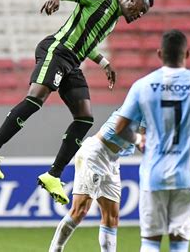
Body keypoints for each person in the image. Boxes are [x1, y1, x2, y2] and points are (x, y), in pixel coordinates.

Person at [0, 0, 154, 205]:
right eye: (141, 9)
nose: (139, 16)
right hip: (58, 50)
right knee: (35, 99)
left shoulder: (112, 20)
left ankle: (53, 175)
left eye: (143, 14)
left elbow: (87, 43)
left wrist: (104, 63)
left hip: (72, 63)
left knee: (85, 117)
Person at [115, 29, 190, 252]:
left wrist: (139, 139)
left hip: (154, 174)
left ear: (160, 54)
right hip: (187, 177)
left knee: (150, 242)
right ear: (187, 54)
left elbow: (120, 128)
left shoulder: (143, 85)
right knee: (179, 245)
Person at [48, 108, 145, 252]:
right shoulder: (145, 105)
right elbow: (143, 140)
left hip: (113, 159)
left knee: (112, 217)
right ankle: (55, 250)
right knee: (80, 210)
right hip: (95, 153)